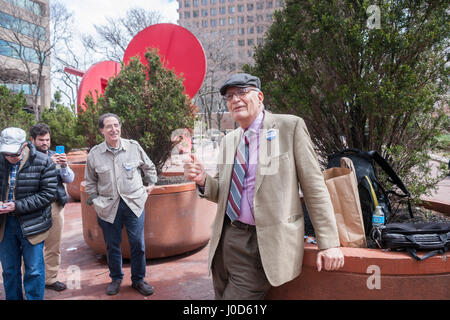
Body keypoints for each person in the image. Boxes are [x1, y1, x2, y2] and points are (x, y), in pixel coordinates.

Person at [183, 73, 345, 300]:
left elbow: (314, 187)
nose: (235, 99)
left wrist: (329, 243)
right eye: (229, 96)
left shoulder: (289, 127)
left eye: (242, 92)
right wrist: (202, 180)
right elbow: (222, 192)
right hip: (226, 239)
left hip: (262, 242)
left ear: (259, 97)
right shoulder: (229, 141)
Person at [84, 113, 158, 296]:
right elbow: (90, 181)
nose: (113, 129)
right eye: (108, 126)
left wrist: (150, 185)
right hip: (108, 207)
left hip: (134, 203)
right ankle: (116, 278)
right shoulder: (95, 154)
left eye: (116, 125)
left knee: (138, 244)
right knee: (112, 245)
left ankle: (138, 280)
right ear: (101, 130)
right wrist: (94, 200)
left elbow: (149, 167)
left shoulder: (133, 147)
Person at [0, 127, 57, 300]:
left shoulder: (43, 161)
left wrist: (16, 206)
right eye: (6, 154)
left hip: (33, 223)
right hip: (5, 225)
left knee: (34, 270)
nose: (10, 158)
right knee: (9, 270)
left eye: (14, 154)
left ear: (25, 145)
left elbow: (48, 195)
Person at [29, 123, 74, 292]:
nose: (45, 143)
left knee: (54, 245)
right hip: (34, 207)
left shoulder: (55, 154)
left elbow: (69, 179)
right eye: (41, 140)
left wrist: (64, 166)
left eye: (47, 140)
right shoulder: (27, 156)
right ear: (32, 139)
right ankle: (32, 281)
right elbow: (29, 177)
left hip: (55, 204)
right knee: (32, 246)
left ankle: (50, 278)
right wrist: (48, 163)